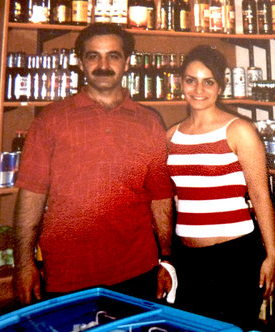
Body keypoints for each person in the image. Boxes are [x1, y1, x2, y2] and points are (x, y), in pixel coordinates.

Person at [12, 23, 175, 304]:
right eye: (93, 56)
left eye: (113, 55)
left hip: (137, 269)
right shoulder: (50, 120)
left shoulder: (149, 122)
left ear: (127, 62)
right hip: (68, 274)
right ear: (79, 62)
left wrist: (166, 258)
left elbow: (160, 197)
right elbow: (31, 195)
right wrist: (24, 264)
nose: (103, 65)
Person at [166, 45, 275, 330]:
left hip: (234, 258)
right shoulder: (170, 136)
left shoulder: (239, 130)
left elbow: (261, 196)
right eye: (191, 80)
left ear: (220, 86)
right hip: (187, 259)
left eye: (208, 81)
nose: (198, 89)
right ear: (181, 83)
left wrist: (272, 256)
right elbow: (167, 201)